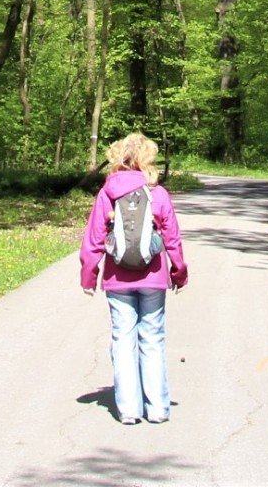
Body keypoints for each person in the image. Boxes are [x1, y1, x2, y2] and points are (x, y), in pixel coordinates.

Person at [79, 131, 188, 424]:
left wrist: (89, 276)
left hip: (118, 280)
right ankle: (158, 409)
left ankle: (128, 410)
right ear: (148, 159)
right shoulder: (158, 193)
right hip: (153, 277)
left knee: (122, 339)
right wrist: (179, 272)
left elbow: (94, 238)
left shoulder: (107, 193)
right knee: (152, 339)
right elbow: (173, 238)